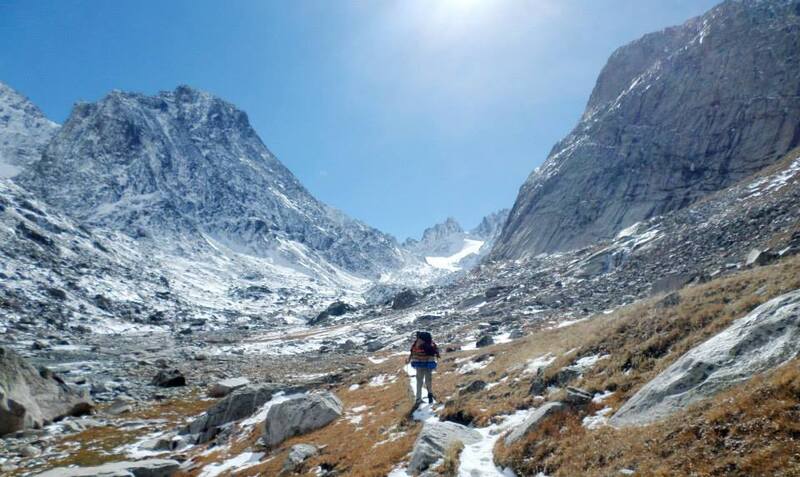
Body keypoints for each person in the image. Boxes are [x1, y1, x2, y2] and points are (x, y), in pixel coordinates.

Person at [407, 330, 440, 405]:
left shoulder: (416, 343)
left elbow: (412, 353)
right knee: (428, 381)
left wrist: (409, 360)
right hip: (428, 364)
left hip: (419, 365)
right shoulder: (430, 342)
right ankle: (430, 396)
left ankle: (418, 399)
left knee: (419, 382)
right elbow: (435, 352)